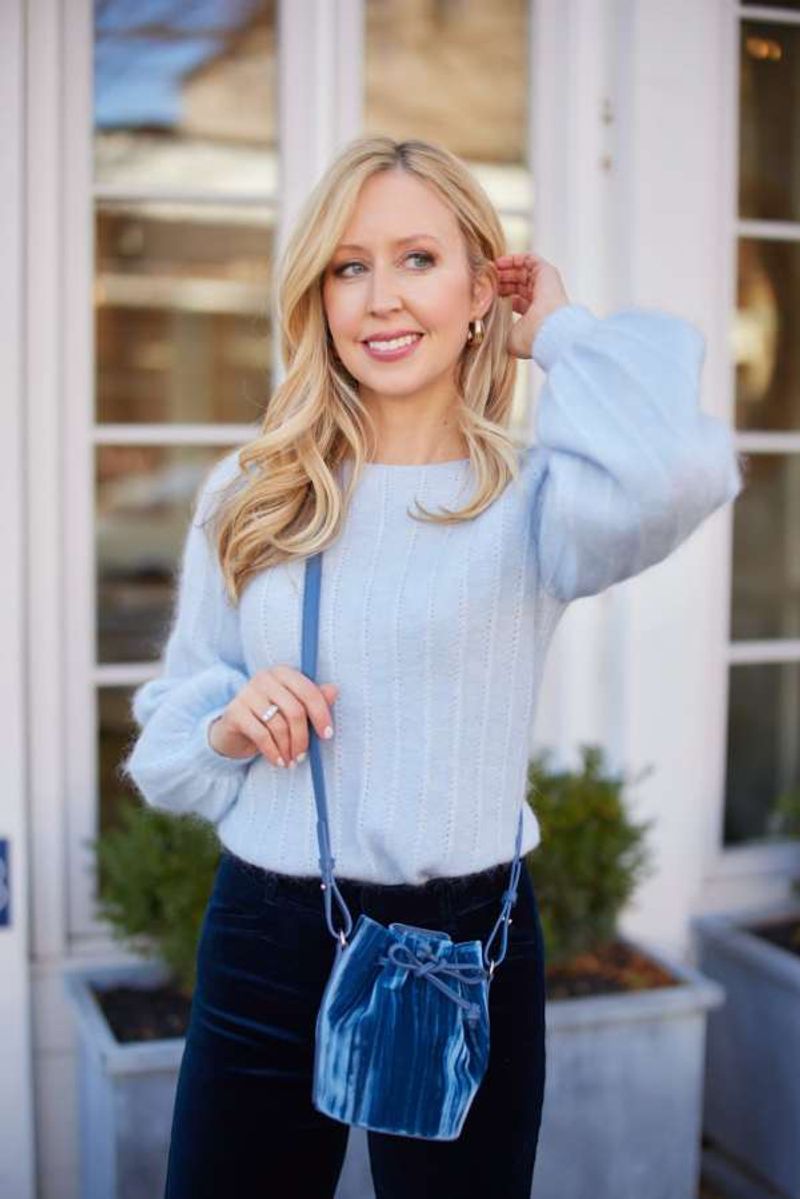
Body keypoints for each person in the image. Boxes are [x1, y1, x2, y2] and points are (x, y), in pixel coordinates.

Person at [121, 135, 744, 1199]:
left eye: (418, 258)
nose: (382, 297)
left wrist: (560, 332)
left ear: (479, 289)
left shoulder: (538, 500)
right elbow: (169, 739)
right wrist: (227, 719)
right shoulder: (254, 491)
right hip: (266, 938)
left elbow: (680, 469)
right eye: (348, 266)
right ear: (319, 296)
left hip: (467, 942)